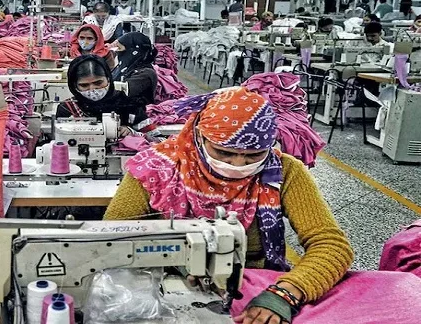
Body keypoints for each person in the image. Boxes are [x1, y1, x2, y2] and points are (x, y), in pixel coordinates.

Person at [104, 87, 353, 324]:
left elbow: (331, 244)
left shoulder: (285, 171)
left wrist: (288, 291)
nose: (237, 164)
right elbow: (111, 236)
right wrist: (174, 257)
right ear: (199, 135)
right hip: (161, 278)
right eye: (224, 152)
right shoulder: (155, 169)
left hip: (259, 285)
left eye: (254, 155)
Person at [55, 54, 157, 138]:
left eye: (98, 83)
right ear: (74, 86)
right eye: (84, 85)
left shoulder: (129, 105)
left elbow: (157, 139)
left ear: (108, 79)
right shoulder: (67, 109)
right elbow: (58, 142)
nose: (92, 89)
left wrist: (132, 133)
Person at [109, 32, 158, 107]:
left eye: (119, 49)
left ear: (134, 51)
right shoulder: (122, 68)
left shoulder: (145, 74)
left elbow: (124, 90)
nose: (118, 53)